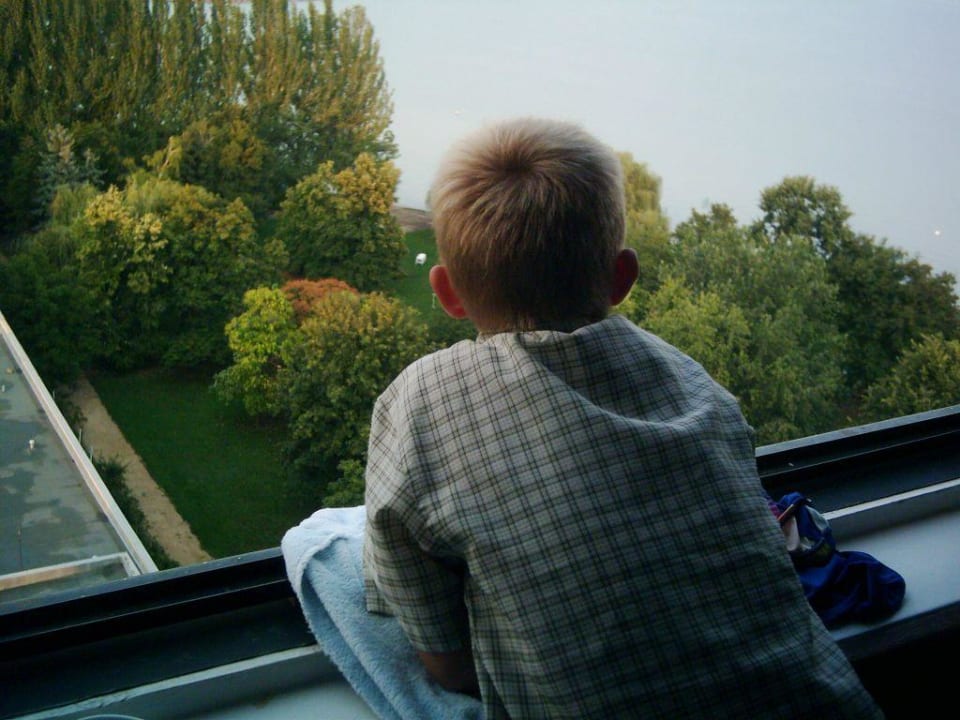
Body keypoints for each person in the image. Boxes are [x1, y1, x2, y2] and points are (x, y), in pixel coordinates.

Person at [362, 117, 883, 719]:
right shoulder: (697, 388)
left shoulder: (418, 405)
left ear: (446, 292)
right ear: (621, 278)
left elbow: (447, 664)